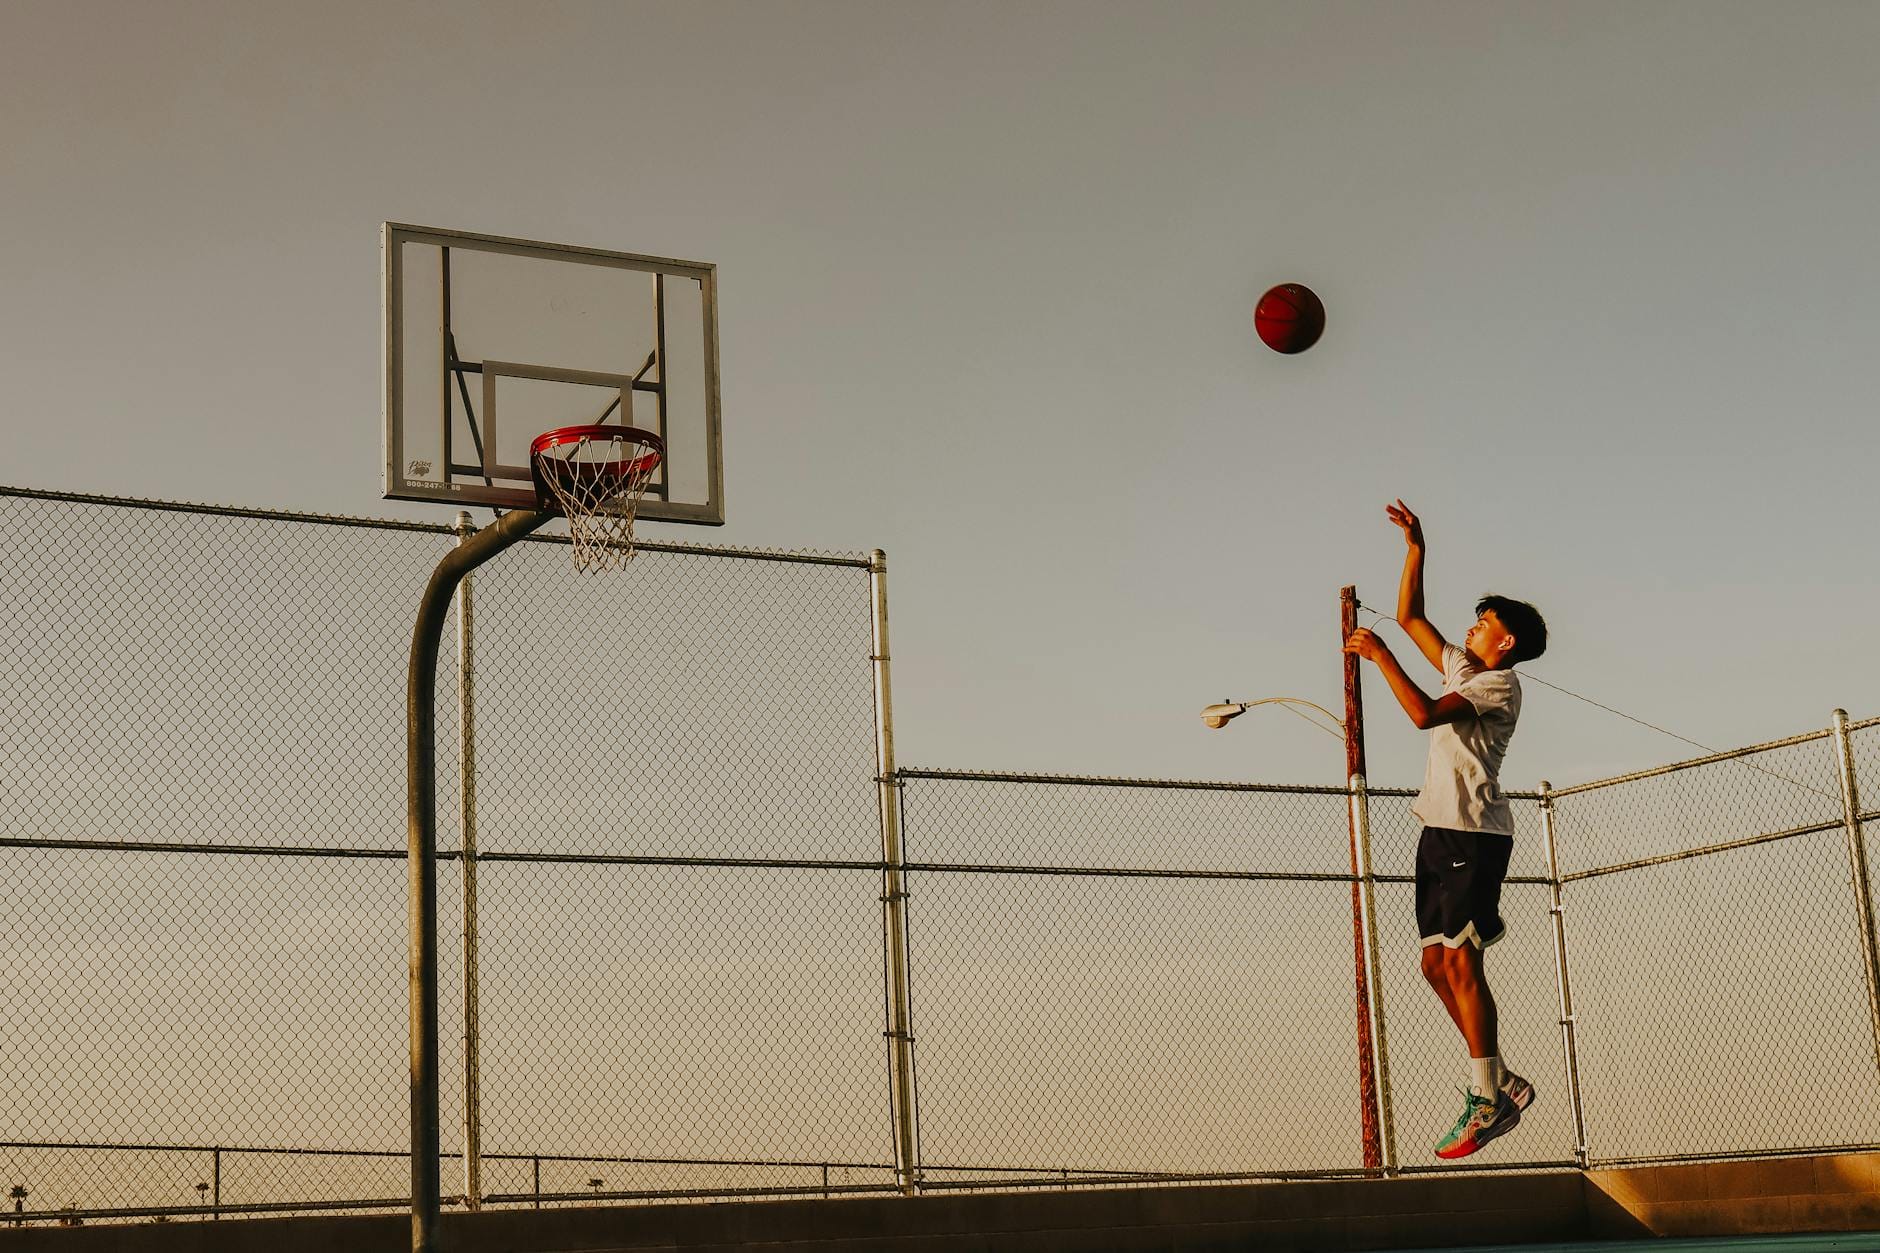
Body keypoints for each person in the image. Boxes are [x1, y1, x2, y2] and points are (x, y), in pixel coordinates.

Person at [1343, 499, 1549, 1160]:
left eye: (1484, 622)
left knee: (1463, 959)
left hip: (1474, 835)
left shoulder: (1500, 687)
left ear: (1505, 640)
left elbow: (1426, 714)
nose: (1472, 626)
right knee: (1435, 963)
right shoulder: (1468, 666)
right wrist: (1415, 548)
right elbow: (1410, 617)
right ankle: (1501, 1077)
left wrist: (1377, 656)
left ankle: (1486, 1093)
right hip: (1438, 831)